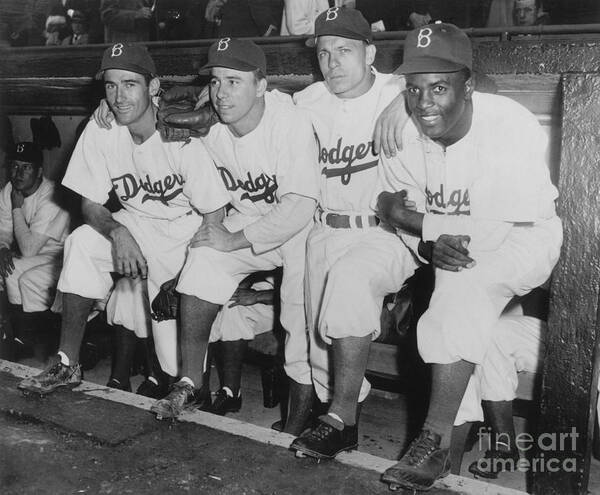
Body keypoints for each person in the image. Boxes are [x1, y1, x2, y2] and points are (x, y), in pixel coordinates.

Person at [375, 22, 562, 491]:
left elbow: (491, 233)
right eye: (413, 90)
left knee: (460, 290)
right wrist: (420, 242)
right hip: (451, 245)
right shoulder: (405, 130)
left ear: (469, 84)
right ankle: (441, 464)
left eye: (439, 87)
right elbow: (401, 213)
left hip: (524, 238)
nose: (423, 103)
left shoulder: (508, 123)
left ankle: (435, 442)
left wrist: (412, 222)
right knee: (452, 309)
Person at [17, 42, 230, 395]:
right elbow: (90, 205)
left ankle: (194, 390)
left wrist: (183, 278)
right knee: (82, 242)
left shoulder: (179, 131)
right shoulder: (101, 129)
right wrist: (117, 233)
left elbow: (214, 216)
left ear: (154, 87)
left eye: (130, 84)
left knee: (177, 365)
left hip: (187, 235)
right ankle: (67, 362)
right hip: (135, 222)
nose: (119, 96)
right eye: (111, 85)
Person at [149, 38, 320, 433]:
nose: (221, 93)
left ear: (261, 85)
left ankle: (296, 423)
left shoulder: (289, 122)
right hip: (248, 218)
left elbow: (297, 208)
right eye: (216, 82)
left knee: (298, 319)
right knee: (203, 260)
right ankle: (191, 384)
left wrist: (231, 241)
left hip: (301, 227)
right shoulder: (212, 124)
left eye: (234, 81)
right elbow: (151, 108)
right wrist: (109, 110)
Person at [284, 8, 418, 459]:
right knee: (322, 347)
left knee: (350, 282)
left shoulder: (397, 89)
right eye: (324, 53)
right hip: (327, 227)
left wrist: (406, 99)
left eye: (345, 51)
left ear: (371, 52)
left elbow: (475, 83)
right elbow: (251, 109)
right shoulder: (308, 101)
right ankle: (345, 420)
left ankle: (339, 419)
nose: (333, 62)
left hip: (386, 231)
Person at [0, 142, 70, 316]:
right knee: (7, 268)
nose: (19, 173)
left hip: (60, 255)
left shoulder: (52, 195)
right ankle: (16, 330)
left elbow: (29, 250)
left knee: (18, 274)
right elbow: (4, 230)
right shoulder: (8, 190)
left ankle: (33, 326)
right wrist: (3, 248)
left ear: (39, 171)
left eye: (27, 167)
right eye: (15, 166)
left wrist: (17, 208)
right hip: (33, 252)